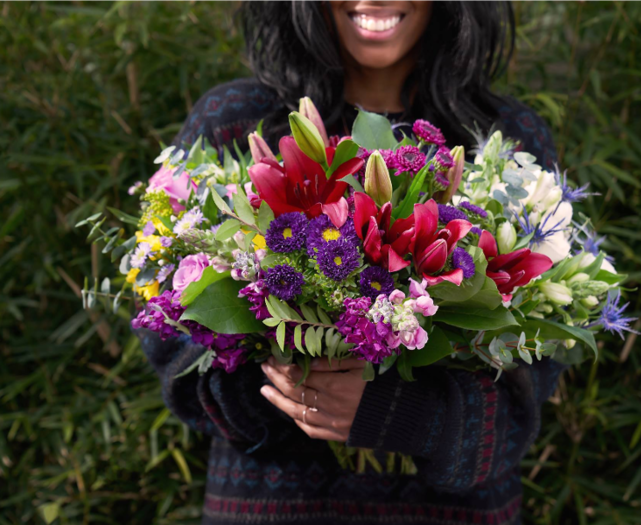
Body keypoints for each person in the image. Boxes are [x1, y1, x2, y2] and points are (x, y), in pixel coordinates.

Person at [139, 1, 567, 523]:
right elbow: (172, 340)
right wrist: (291, 381)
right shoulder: (232, 122)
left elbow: (529, 388)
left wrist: (400, 417)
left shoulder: (509, 138)